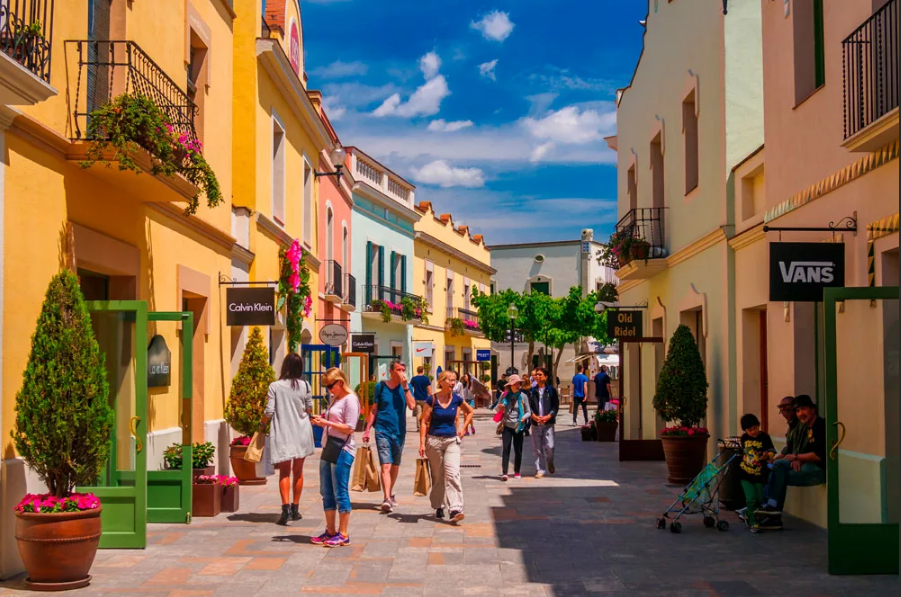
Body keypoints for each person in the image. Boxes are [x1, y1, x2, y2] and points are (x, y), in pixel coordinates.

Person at [260, 353, 315, 526]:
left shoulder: (275, 386)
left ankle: (285, 509)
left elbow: (269, 412)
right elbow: (309, 408)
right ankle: (296, 508)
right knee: (298, 471)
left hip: (283, 432)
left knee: (284, 472)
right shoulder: (306, 385)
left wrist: (261, 424)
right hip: (301, 432)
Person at [756, 395, 826, 527]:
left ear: (813, 409)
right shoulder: (807, 426)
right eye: (798, 411)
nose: (800, 414)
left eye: (803, 410)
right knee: (777, 470)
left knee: (778, 471)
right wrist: (796, 457)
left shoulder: (820, 425)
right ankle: (772, 512)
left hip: (817, 470)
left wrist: (797, 457)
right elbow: (794, 449)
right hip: (805, 466)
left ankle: (771, 508)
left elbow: (819, 455)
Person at [310, 367, 360, 548]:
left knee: (340, 491)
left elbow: (350, 427)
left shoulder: (351, 400)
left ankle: (344, 533)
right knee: (326, 490)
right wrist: (321, 418)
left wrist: (326, 422)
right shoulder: (335, 399)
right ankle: (330, 530)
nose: (329, 389)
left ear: (340, 382)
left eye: (331, 385)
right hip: (329, 447)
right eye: (327, 386)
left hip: (342, 449)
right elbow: (333, 419)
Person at [419, 370, 474, 523]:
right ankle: (438, 505)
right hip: (434, 441)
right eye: (449, 380)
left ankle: (455, 508)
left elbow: (470, 411)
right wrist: (422, 443)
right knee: (438, 476)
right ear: (441, 381)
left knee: (453, 473)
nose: (452, 383)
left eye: (454, 380)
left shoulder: (457, 399)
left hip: (451, 441)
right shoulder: (432, 399)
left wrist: (463, 429)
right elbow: (424, 421)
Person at [362, 360, 416, 513]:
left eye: (403, 369)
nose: (401, 373)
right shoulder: (381, 386)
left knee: (395, 465)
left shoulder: (407, 387)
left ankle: (390, 493)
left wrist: (405, 388)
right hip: (382, 430)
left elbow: (412, 406)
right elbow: (374, 410)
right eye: (398, 369)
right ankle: (386, 498)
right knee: (386, 465)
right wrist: (367, 430)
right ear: (391, 371)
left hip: (399, 431)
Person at [737, 414, 776, 533]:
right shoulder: (744, 438)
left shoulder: (764, 437)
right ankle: (753, 522)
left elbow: (771, 450)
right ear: (745, 430)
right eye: (750, 430)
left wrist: (767, 456)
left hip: (760, 474)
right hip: (745, 473)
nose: (753, 432)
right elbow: (743, 453)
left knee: (759, 498)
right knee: (751, 498)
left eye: (755, 428)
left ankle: (748, 512)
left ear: (758, 425)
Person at [496, 374, 532, 480]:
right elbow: (497, 410)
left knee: (518, 449)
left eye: (519, 383)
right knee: (506, 448)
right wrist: (500, 407)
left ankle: (517, 471)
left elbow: (528, 412)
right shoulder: (504, 396)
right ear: (510, 385)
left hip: (518, 426)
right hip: (506, 425)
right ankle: (505, 472)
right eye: (515, 384)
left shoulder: (523, 396)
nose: (518, 385)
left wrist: (524, 418)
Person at [529, 367, 559, 478]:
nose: (537, 376)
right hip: (536, 423)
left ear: (546, 377)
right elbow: (528, 406)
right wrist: (533, 416)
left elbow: (555, 406)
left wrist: (548, 416)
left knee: (550, 446)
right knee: (537, 448)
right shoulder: (532, 391)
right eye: (536, 374)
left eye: (540, 375)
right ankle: (540, 469)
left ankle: (549, 462)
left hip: (548, 423)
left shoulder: (551, 391)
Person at [772, 396, 803, 462]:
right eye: (782, 410)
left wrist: (796, 459)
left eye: (787, 410)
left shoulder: (801, 425)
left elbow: (801, 448)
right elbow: (788, 448)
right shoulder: (791, 426)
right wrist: (774, 460)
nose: (784, 413)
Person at [410, 366, 433, 432]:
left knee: (418, 413)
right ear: (423, 371)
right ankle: (425, 425)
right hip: (425, 398)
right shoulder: (426, 378)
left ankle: (419, 427)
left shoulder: (414, 379)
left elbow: (411, 387)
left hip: (417, 398)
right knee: (426, 413)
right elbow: (429, 389)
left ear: (417, 371)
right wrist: (431, 396)